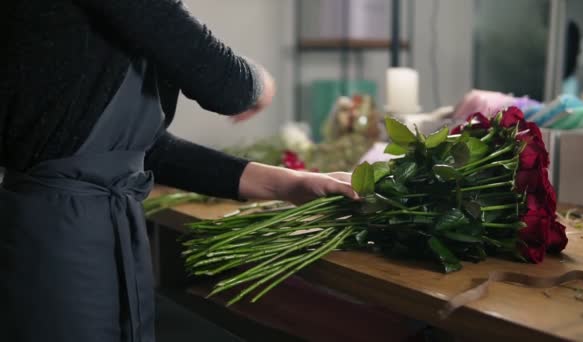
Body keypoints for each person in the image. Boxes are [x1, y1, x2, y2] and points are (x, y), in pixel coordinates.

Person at [0, 1, 357, 341]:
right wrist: (262, 81)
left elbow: (141, 151)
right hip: (59, 247)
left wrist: (290, 185)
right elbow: (228, 87)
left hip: (92, 234)